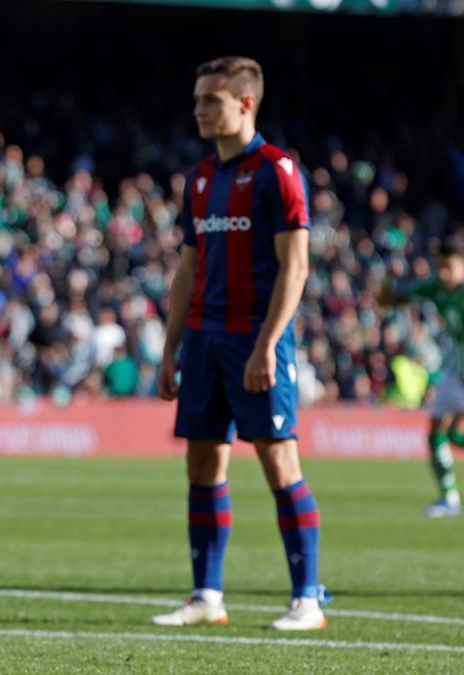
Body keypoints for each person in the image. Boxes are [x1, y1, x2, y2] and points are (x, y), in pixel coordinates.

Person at [153, 56, 324, 631]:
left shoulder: (278, 171)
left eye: (211, 100)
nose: (199, 110)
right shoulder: (199, 178)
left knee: (278, 460)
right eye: (198, 99)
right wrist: (168, 348)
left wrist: (266, 345)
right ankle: (207, 595)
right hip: (203, 339)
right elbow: (186, 270)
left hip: (256, 337)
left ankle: (306, 599)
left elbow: (294, 268)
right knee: (202, 462)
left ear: (245, 103)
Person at [381, 240, 464, 518]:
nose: (442, 274)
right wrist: (389, 277)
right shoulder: (435, 287)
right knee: (436, 433)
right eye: (439, 267)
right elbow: (386, 300)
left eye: (448, 268)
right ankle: (449, 498)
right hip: (453, 368)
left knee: (456, 434)